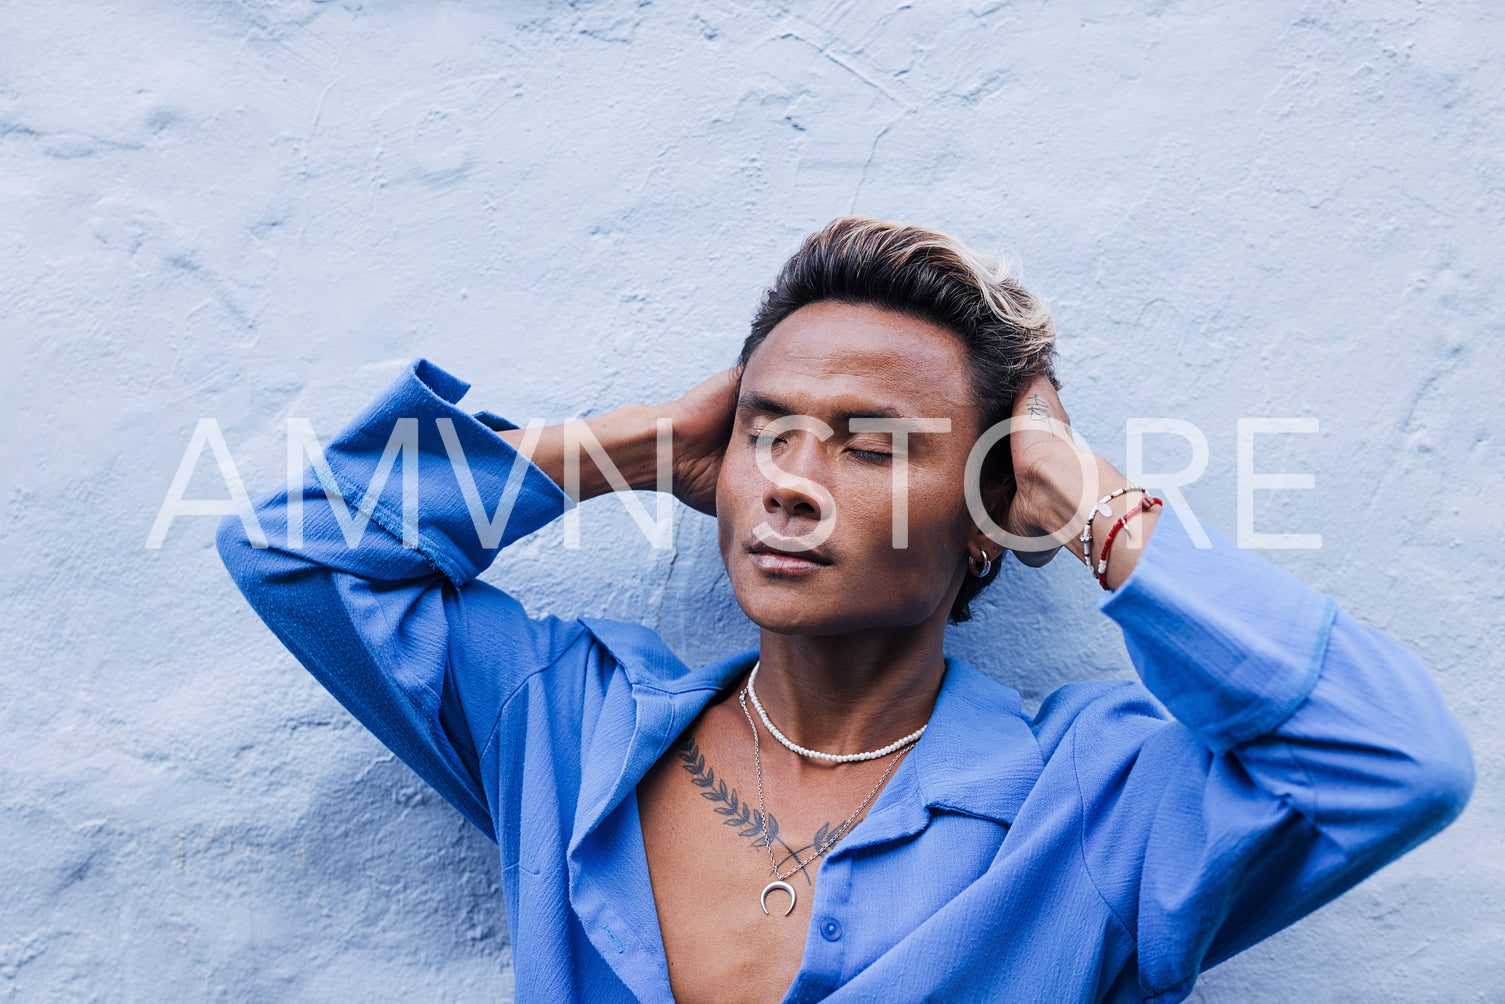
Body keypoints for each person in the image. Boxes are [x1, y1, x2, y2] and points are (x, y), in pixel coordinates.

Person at [218, 217, 1473, 1003]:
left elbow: (1392, 763)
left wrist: (1080, 494)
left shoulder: (1091, 803)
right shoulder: (568, 726)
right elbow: (293, 545)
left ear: (985, 508)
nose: (793, 486)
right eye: (766, 430)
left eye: (871, 445)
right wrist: (637, 442)